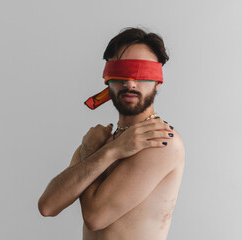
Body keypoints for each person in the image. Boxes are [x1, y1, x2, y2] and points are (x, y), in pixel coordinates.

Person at [38, 27, 185, 240]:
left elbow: (95, 217)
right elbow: (48, 206)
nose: (130, 83)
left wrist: (104, 151)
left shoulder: (161, 141)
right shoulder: (100, 143)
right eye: (121, 73)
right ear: (108, 79)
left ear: (157, 82)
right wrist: (105, 150)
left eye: (142, 74)